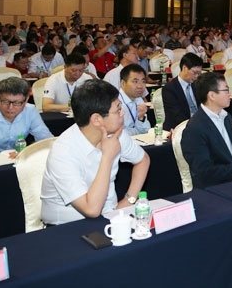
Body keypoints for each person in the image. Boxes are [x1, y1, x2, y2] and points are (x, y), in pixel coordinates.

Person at [40, 79, 150, 225]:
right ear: (97, 120)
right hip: (67, 225)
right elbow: (91, 210)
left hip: (110, 214)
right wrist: (107, 157)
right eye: (118, 109)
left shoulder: (115, 133)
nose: (122, 112)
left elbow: (143, 160)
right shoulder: (63, 152)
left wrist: (129, 199)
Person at [180, 72, 232, 188]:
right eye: (226, 90)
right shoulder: (194, 129)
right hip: (217, 187)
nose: (229, 94)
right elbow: (205, 172)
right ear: (212, 96)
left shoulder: (226, 117)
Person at [161, 52, 203, 131]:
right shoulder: (169, 88)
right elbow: (176, 115)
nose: (197, 76)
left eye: (199, 73)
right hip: (178, 128)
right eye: (195, 73)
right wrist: (195, 125)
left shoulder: (198, 84)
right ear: (184, 68)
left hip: (199, 125)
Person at [118, 64, 151, 135]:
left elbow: (146, 130)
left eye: (143, 81)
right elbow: (117, 134)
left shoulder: (139, 99)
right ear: (123, 83)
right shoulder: (114, 102)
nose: (140, 86)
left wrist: (141, 118)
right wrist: (136, 131)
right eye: (135, 81)